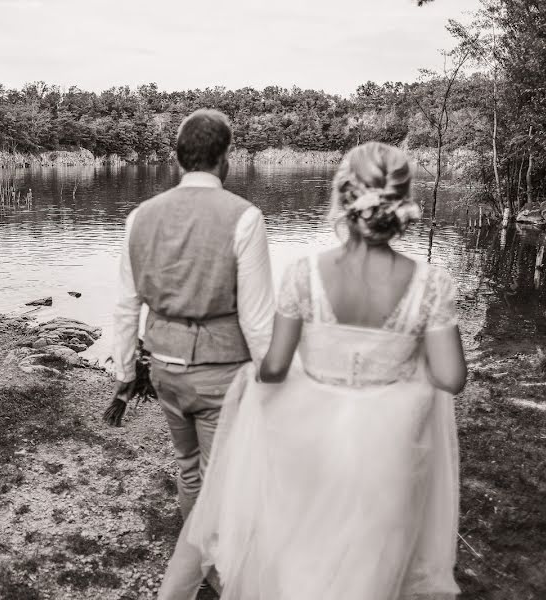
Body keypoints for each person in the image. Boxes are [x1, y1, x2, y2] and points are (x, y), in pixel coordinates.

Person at [159, 141, 467, 600]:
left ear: (343, 198)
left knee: (299, 547)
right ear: (400, 202)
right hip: (390, 443)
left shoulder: (304, 274)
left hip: (309, 440)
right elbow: (451, 377)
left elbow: (277, 365)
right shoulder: (431, 285)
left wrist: (254, 379)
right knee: (372, 552)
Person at [108, 109, 275, 524]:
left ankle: (196, 560)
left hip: (165, 369)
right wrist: (272, 383)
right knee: (221, 474)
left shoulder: (137, 218)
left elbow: (126, 306)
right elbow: (257, 321)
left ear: (178, 158)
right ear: (226, 158)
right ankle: (212, 570)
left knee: (189, 466)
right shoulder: (245, 218)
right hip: (220, 372)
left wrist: (126, 374)